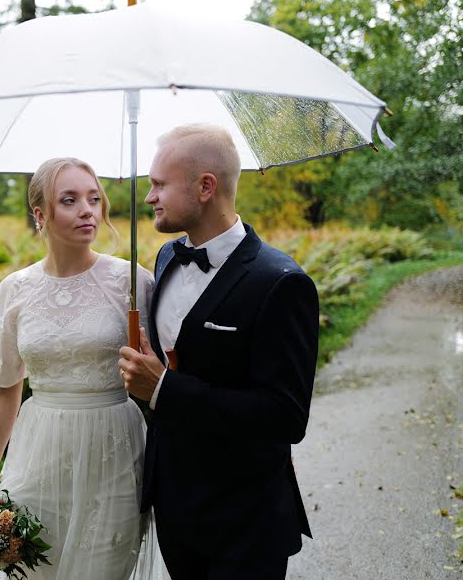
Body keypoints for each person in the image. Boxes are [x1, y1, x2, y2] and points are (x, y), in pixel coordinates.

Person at [118, 124, 319, 579]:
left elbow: (286, 415)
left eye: (158, 185)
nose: (149, 197)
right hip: (173, 505)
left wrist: (165, 389)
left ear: (205, 186)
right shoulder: (167, 257)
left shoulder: (281, 283)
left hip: (245, 518)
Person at [0, 157, 167, 579]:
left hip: (114, 447)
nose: (88, 210)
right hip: (39, 448)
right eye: (70, 200)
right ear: (40, 215)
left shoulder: (133, 282)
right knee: (35, 567)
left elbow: (165, 374)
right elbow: (6, 386)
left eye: (94, 198)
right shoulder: (16, 289)